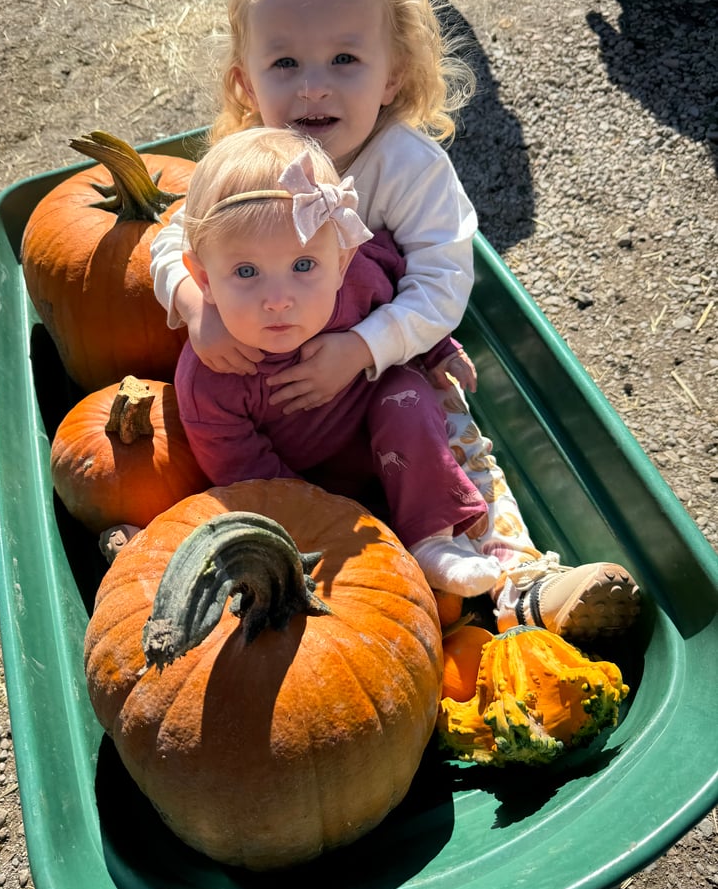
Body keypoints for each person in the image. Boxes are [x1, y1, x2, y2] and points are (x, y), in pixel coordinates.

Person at [150, 0, 640, 640]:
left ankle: (514, 579)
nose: (314, 87)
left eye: (345, 58)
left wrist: (364, 348)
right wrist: (196, 305)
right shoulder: (244, 162)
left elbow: (444, 280)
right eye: (284, 65)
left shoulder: (407, 168)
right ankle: (320, 556)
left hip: (379, 371)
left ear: (395, 75)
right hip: (262, 385)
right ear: (245, 83)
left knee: (445, 429)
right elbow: (171, 242)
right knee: (238, 471)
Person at [175, 125, 507, 595]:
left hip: (388, 435)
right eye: (246, 272)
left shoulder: (359, 281)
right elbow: (246, 473)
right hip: (306, 483)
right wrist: (331, 518)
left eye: (303, 266)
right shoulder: (212, 376)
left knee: (406, 395)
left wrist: (437, 349)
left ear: (343, 260)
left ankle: (432, 538)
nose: (278, 298)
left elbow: (395, 301)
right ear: (203, 278)